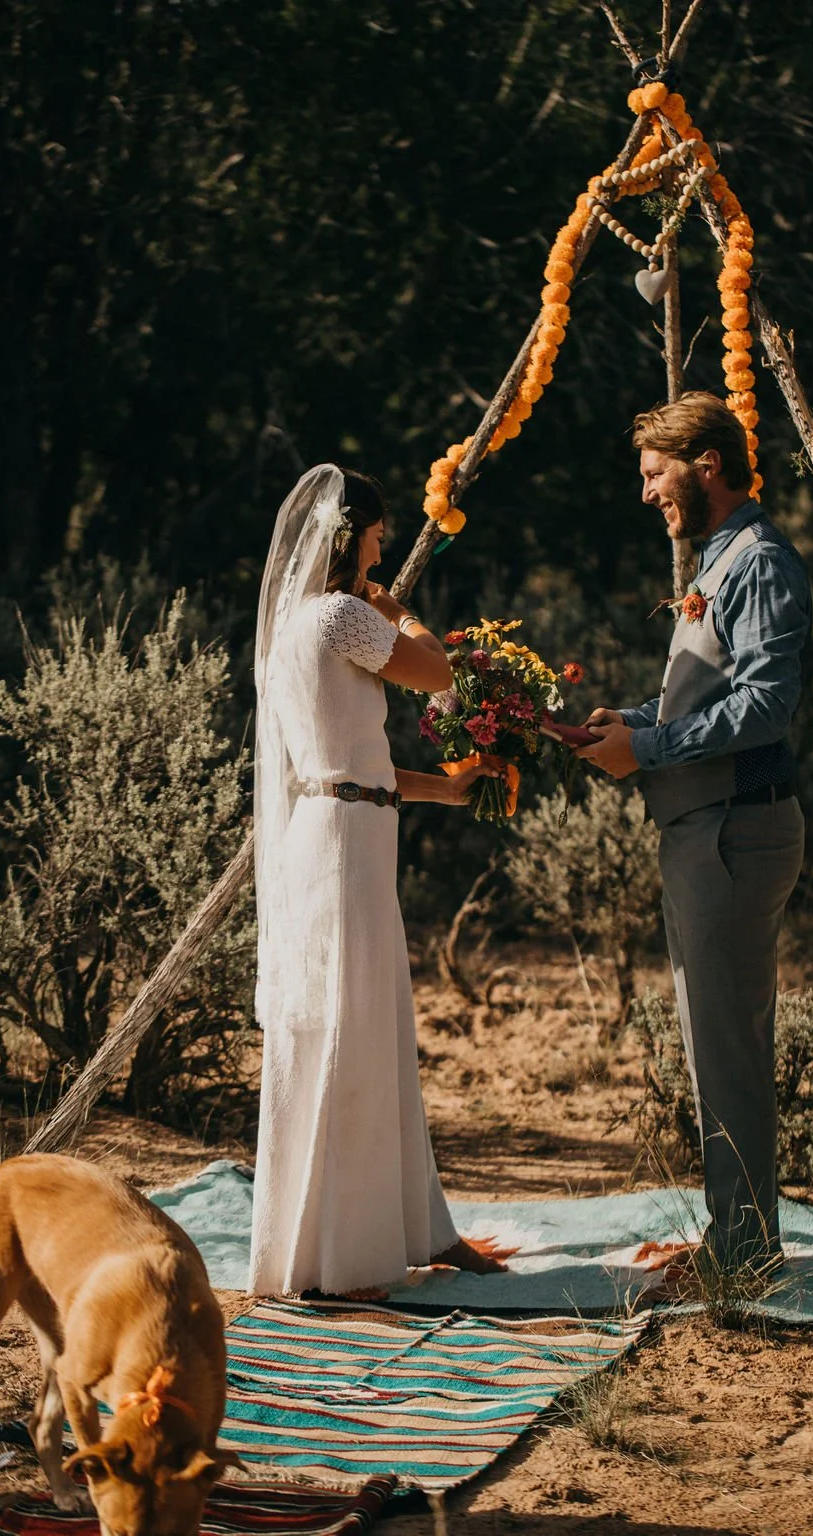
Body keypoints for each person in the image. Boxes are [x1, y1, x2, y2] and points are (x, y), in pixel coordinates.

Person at [249, 463, 507, 1296]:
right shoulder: (341, 616)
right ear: (346, 535)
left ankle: (400, 1230)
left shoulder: (293, 625)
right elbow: (440, 673)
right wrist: (404, 611)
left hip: (344, 827)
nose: (383, 543)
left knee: (361, 1027)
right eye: (375, 531)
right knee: (356, 1030)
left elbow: (348, 762)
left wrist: (445, 786)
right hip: (345, 846)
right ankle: (349, 1254)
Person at [578, 392, 811, 1279]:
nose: (647, 494)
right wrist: (627, 723)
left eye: (654, 473)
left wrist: (648, 748)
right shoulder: (721, 561)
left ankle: (745, 1255)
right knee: (715, 1047)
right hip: (707, 829)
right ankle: (735, 1237)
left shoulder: (760, 562)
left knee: (730, 1051)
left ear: (704, 463)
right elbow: (709, 698)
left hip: (735, 834)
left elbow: (765, 705)